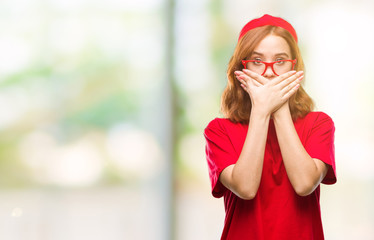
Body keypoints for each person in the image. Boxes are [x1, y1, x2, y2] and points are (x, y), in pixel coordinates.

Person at [204, 14, 336, 240]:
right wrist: (262, 111)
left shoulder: (319, 124)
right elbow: (245, 188)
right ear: (240, 69)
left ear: (294, 68)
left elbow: (305, 184)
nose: (268, 72)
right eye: (257, 61)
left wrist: (279, 106)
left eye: (280, 61)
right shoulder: (219, 130)